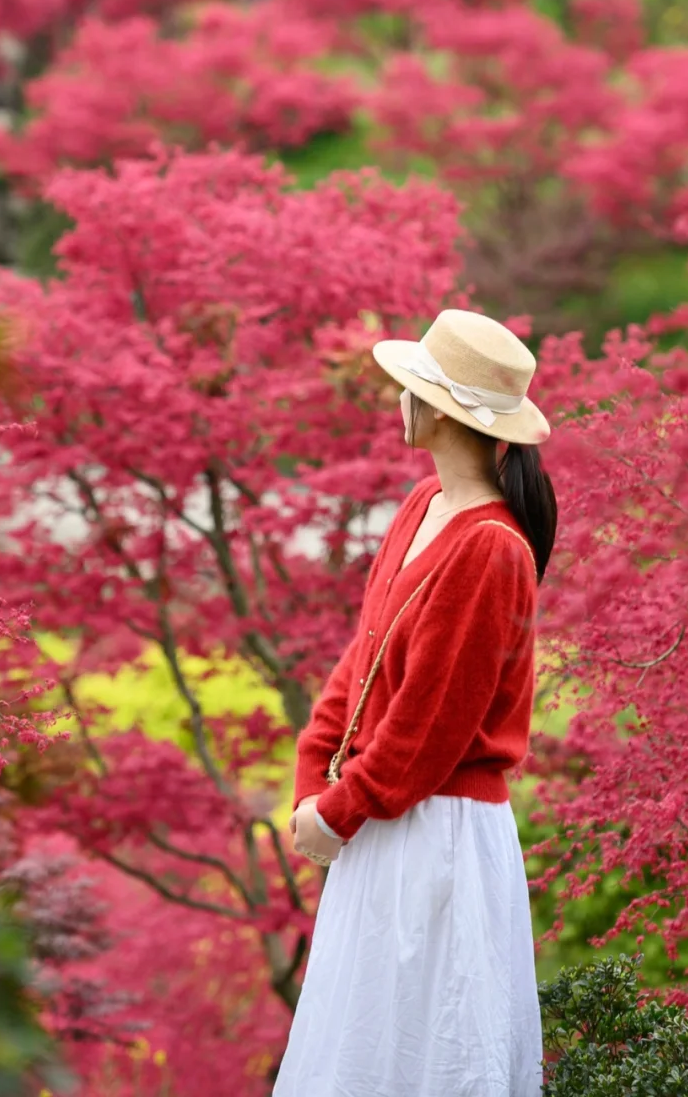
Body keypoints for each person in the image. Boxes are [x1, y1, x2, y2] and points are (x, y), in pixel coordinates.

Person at [272, 308, 557, 1097]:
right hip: (384, 820)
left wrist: (339, 810)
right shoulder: (424, 504)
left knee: (428, 1053)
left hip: (439, 835)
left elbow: (431, 724)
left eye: (411, 387)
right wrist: (313, 780)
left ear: (438, 410)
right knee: (365, 1051)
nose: (399, 399)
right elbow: (362, 660)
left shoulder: (491, 547)